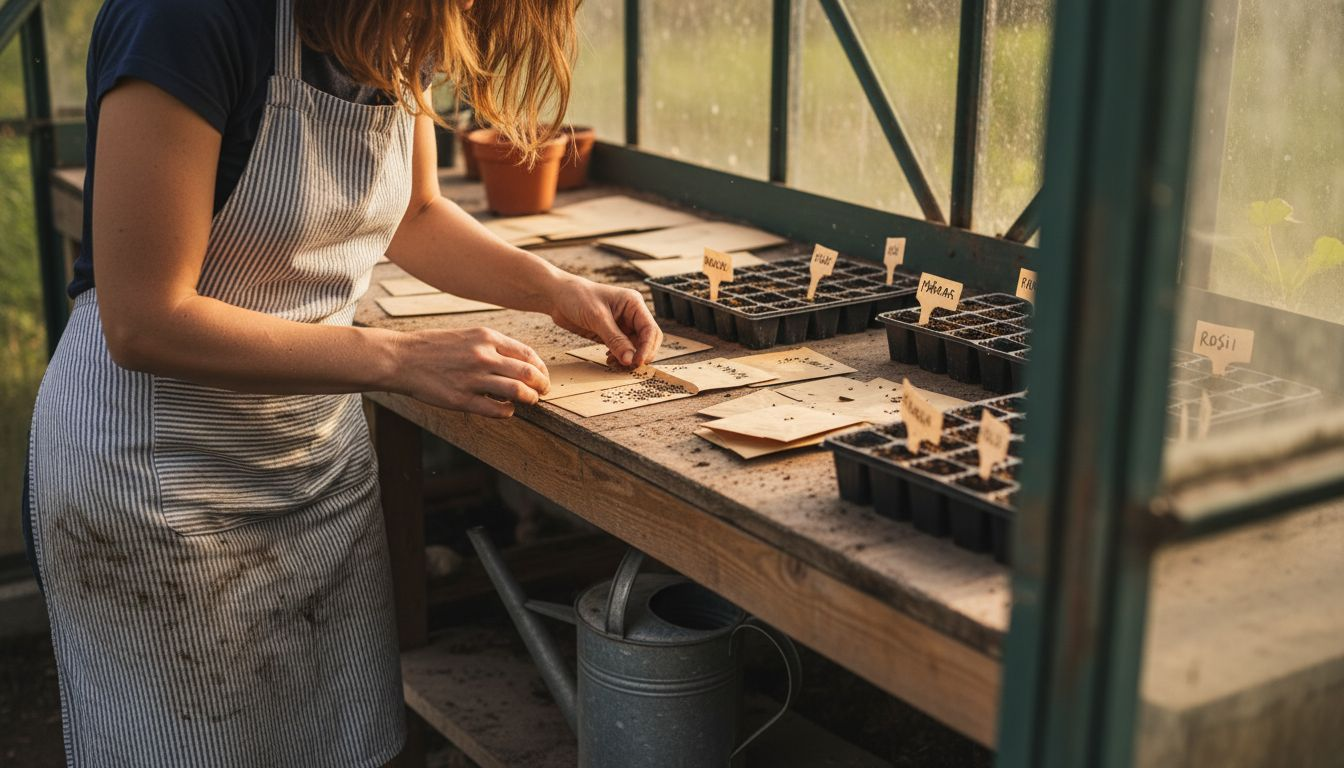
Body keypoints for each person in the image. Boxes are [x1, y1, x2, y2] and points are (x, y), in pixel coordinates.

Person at [24, 0, 661, 764]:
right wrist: (398, 359)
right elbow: (145, 321)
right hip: (162, 480)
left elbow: (415, 213)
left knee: (342, 746)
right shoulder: (185, 18)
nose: (461, 24)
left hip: (315, 467)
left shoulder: (398, 27)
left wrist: (555, 288)